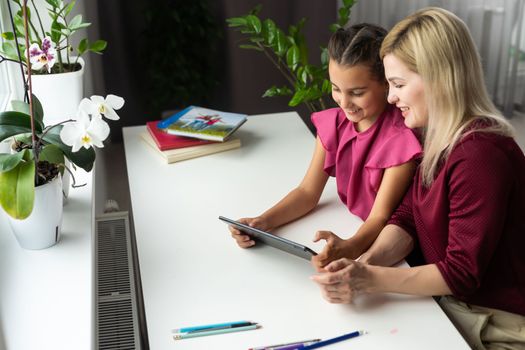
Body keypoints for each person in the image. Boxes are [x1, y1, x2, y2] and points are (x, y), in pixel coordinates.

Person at [310, 7, 525, 350]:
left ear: (439, 78)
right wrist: (362, 265)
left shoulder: (480, 155)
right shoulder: (438, 135)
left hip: (498, 317)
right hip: (457, 301)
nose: (391, 98)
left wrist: (369, 280)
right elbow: (409, 216)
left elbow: (461, 274)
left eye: (397, 84)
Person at [229, 23, 422, 268]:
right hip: (354, 224)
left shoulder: (400, 142)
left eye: (357, 92)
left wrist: (351, 246)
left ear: (386, 83)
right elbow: (307, 193)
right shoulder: (334, 124)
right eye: (336, 88)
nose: (344, 102)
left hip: (396, 247)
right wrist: (262, 223)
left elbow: (380, 217)